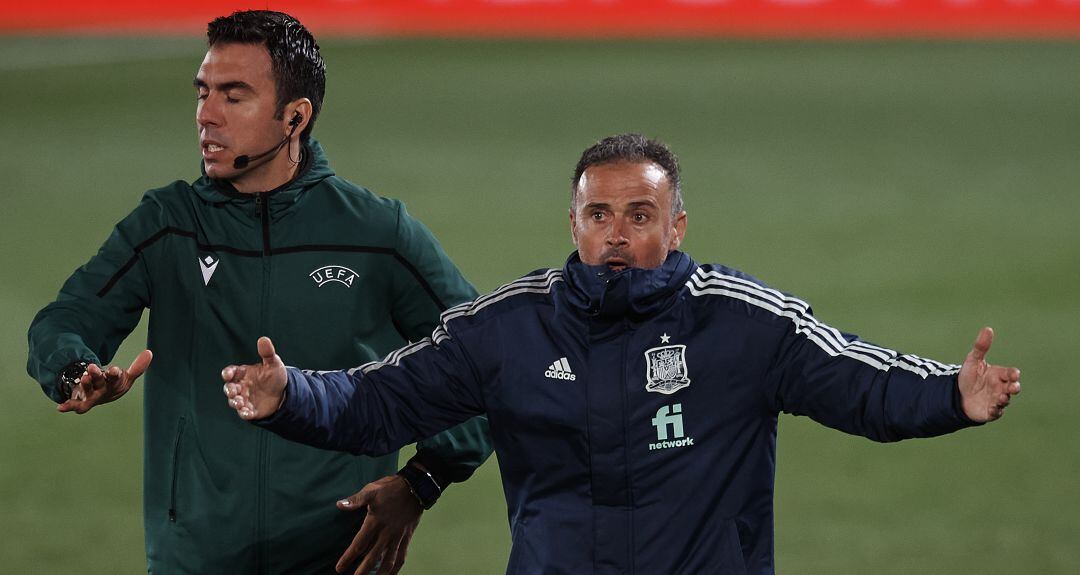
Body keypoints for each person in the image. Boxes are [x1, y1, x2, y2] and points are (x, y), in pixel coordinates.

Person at [221, 133, 1022, 574]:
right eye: (598, 213)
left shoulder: (739, 321)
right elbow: (381, 397)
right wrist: (293, 394)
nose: (616, 232)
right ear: (571, 224)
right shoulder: (510, 326)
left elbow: (857, 378)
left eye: (640, 214)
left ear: (676, 227)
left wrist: (951, 394)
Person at [26, 10, 492, 575]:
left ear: (295, 116)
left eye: (234, 96)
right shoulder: (168, 224)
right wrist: (76, 368)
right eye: (203, 93)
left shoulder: (375, 234)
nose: (206, 115)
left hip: (335, 559)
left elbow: (486, 358)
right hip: (193, 560)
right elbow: (67, 317)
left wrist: (422, 481)